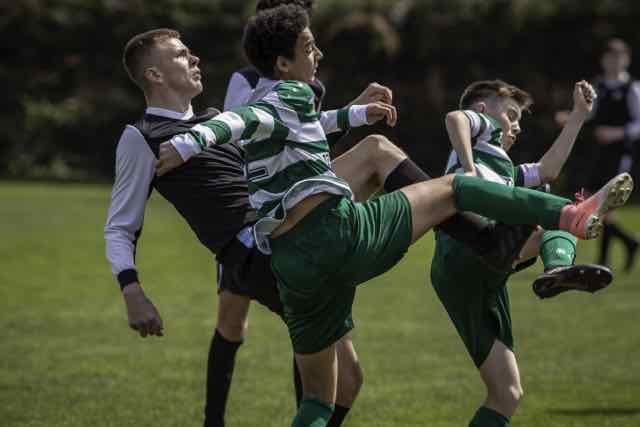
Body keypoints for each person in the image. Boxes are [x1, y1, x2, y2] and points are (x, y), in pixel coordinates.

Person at [155, 6, 633, 426]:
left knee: (319, 401)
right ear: (283, 63)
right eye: (308, 46)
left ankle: (534, 244)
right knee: (451, 186)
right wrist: (189, 141)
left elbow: (302, 123)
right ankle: (569, 216)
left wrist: (357, 114)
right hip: (336, 234)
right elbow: (236, 121)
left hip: (291, 268)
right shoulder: (289, 94)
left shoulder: (281, 108)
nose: (317, 53)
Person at [104, 28, 359, 427]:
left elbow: (290, 129)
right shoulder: (144, 137)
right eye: (181, 54)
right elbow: (120, 227)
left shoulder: (213, 120)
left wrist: (356, 113)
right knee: (331, 378)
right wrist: (131, 290)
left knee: (347, 379)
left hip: (276, 235)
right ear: (154, 75)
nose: (195, 59)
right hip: (253, 255)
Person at [430, 79, 614, 427]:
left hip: (471, 277)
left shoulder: (505, 172)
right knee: (560, 212)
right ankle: (562, 254)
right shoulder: (480, 134)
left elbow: (548, 169)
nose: (516, 126)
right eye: (511, 115)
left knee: (507, 394)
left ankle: (559, 263)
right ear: (483, 110)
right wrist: (468, 169)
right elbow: (455, 118)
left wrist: (578, 115)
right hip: (467, 245)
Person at [557, 38, 640, 271]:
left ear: (626, 60)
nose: (614, 62)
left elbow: (638, 124)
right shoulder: (598, 85)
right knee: (595, 205)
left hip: (620, 154)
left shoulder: (632, 88)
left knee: (604, 207)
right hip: (599, 153)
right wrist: (572, 117)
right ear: (603, 60)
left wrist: (617, 133)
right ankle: (625, 245)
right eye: (609, 57)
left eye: (618, 57)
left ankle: (605, 259)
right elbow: (590, 114)